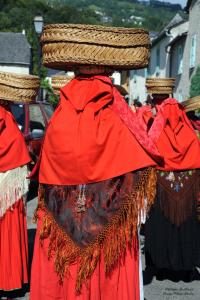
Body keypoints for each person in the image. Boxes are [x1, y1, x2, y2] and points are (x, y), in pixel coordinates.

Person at [30, 24, 162, 300]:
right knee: (105, 269)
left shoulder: (61, 115)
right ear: (110, 71)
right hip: (107, 225)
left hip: (63, 216)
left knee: (65, 268)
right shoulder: (118, 112)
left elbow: (48, 171)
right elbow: (138, 165)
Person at [143, 78, 200, 280]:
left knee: (161, 223)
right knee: (186, 225)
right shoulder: (190, 134)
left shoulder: (156, 130)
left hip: (161, 185)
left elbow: (148, 151)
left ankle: (160, 266)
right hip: (188, 186)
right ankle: (186, 266)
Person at [0, 71, 39, 299]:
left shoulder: (4, 116)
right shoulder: (7, 116)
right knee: (9, 230)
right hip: (12, 179)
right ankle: (9, 279)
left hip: (9, 178)